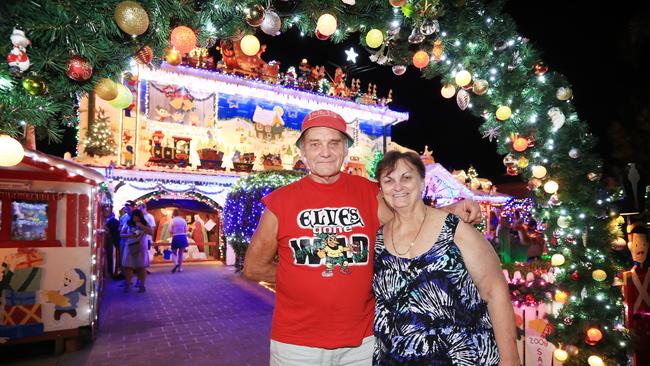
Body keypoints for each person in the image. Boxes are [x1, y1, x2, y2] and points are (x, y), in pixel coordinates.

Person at [243, 109, 481, 365]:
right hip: (296, 343)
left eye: (334, 143)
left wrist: (450, 210)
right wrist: (300, 278)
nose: (325, 152)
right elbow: (254, 267)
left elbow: (411, 220)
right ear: (303, 151)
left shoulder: (369, 193)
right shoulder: (280, 202)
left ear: (345, 149)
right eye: (315, 144)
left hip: (361, 341)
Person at [372, 150, 519, 365]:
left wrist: (510, 359)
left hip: (463, 357)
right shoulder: (378, 239)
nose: (398, 186)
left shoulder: (456, 230)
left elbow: (495, 291)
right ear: (381, 189)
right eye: (389, 180)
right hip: (396, 358)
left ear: (422, 182)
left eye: (406, 177)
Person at [120, 209, 152, 293]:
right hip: (130, 247)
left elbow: (151, 232)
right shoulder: (128, 224)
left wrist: (142, 226)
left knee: (141, 267)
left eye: (138, 217)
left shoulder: (145, 223)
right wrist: (129, 235)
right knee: (128, 267)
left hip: (141, 248)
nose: (136, 219)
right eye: (135, 217)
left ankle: (142, 285)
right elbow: (121, 234)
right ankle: (128, 285)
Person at [169, 208, 189, 273]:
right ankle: (180, 268)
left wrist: (174, 231)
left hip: (176, 237)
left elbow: (170, 230)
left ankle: (176, 264)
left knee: (174, 252)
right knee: (181, 253)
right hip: (183, 236)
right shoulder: (183, 220)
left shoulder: (172, 221)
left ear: (173, 214)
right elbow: (186, 230)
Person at [104, 207, 121, 279]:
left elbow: (108, 231)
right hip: (116, 241)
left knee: (113, 257)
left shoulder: (111, 221)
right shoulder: (115, 221)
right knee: (116, 256)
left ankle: (113, 272)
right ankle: (115, 271)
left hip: (113, 242)